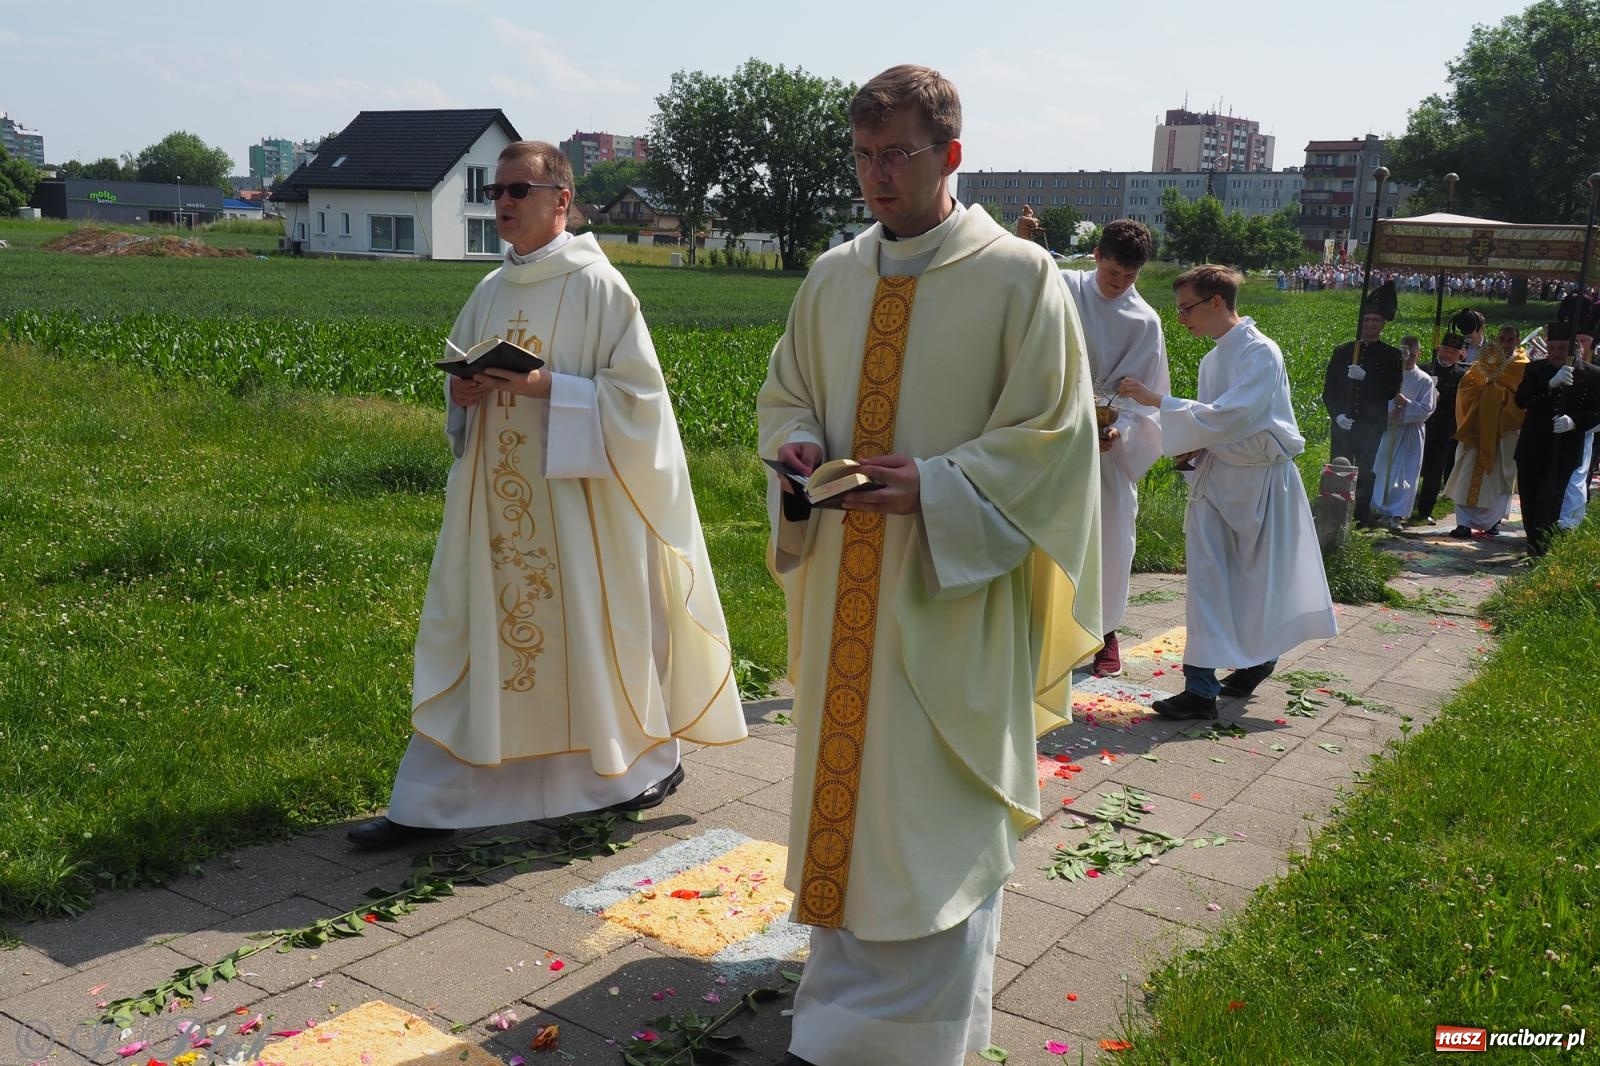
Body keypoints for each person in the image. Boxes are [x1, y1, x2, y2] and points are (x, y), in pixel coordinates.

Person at [756, 65, 1101, 1066]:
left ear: (949, 155)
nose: (876, 177)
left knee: (930, 823)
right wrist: (796, 452)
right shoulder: (833, 274)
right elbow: (787, 396)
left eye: (896, 155)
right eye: (862, 157)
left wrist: (939, 487)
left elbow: (1054, 438)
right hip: (844, 609)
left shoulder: (1017, 276)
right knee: (849, 815)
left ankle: (907, 1047)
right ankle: (831, 1032)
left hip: (951, 606)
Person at [347, 141, 747, 848]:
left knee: (586, 641)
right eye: (496, 190)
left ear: (561, 200)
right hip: (492, 512)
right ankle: (433, 800)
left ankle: (627, 774)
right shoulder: (489, 290)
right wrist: (462, 390)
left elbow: (641, 403)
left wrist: (548, 389)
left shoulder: (598, 287)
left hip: (574, 513)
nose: (503, 203)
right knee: (474, 635)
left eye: (518, 190)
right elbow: (460, 377)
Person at [1119, 265, 1337, 720]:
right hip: (1217, 483)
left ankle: (1259, 660)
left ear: (1216, 302)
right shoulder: (1211, 359)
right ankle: (1200, 689)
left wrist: (1158, 402)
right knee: (1208, 582)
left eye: (1186, 309)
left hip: (1260, 484)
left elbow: (1230, 416)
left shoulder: (1261, 353)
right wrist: (1190, 452)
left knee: (1257, 583)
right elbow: (1210, 428)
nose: (1181, 319)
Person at [1060, 219, 1169, 676]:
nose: (1119, 284)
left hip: (1108, 444)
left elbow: (1145, 394)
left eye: (1129, 278)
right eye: (1112, 274)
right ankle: (1045, 626)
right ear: (1097, 256)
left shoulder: (1144, 320)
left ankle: (1106, 631)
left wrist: (1117, 430)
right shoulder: (1063, 287)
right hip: (1054, 428)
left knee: (1111, 535)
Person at [1513, 319, 1600, 555]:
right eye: (1552, 348)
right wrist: (1549, 385)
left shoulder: (1591, 374)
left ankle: (1541, 549)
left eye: (1562, 349)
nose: (1556, 354)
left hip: (1564, 450)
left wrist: (1575, 422)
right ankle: (1533, 542)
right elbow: (1521, 400)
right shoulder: (1535, 370)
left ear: (1572, 349)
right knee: (1530, 500)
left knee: (1549, 502)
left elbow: (1596, 412)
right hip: (1532, 447)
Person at [1322, 280, 1403, 526]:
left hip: (1370, 425)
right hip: (1344, 424)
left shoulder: (1391, 355)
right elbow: (1329, 391)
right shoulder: (1343, 351)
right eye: (1366, 320)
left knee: (1365, 473)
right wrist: (1337, 415)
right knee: (1339, 469)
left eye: (1375, 321)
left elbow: (1390, 391)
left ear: (1382, 325)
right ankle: (1334, 514)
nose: (1370, 325)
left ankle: (1361, 518)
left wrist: (1367, 379)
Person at [1442, 324, 1528, 539]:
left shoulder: (1522, 366)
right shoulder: (1485, 360)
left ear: (1517, 341)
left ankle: (1493, 521)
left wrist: (1497, 394)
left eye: (1510, 340)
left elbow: (1524, 399)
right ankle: (1463, 523)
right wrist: (1485, 391)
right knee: (1467, 473)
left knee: (1500, 476)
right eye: (1501, 339)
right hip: (1477, 428)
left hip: (1503, 431)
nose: (1505, 344)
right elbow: (1466, 388)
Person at [1369, 335, 1437, 530]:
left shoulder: (1424, 380)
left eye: (1411, 355)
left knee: (1405, 472)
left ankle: (1398, 514)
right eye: (1403, 355)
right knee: (1383, 468)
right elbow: (1379, 399)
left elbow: (1426, 409)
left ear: (1418, 354)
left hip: (1410, 433)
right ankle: (1382, 510)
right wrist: (1390, 410)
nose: (1406, 360)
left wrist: (1405, 404)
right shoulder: (1391, 376)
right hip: (1390, 429)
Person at [1409, 332, 1470, 526]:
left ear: (1459, 354)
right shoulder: (1425, 369)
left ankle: (1426, 509)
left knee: (1435, 472)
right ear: (1439, 348)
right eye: (1446, 350)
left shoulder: (1462, 376)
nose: (1448, 355)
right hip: (1419, 426)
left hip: (1444, 430)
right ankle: (1405, 505)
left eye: (1453, 352)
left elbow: (1461, 406)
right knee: (1413, 467)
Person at [1558, 295, 1600, 530]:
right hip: (1556, 429)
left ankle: (1569, 524)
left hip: (1587, 428)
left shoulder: (1596, 369)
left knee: (1577, 475)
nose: (1581, 344)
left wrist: (1577, 422)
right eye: (1578, 340)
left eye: (1585, 340)